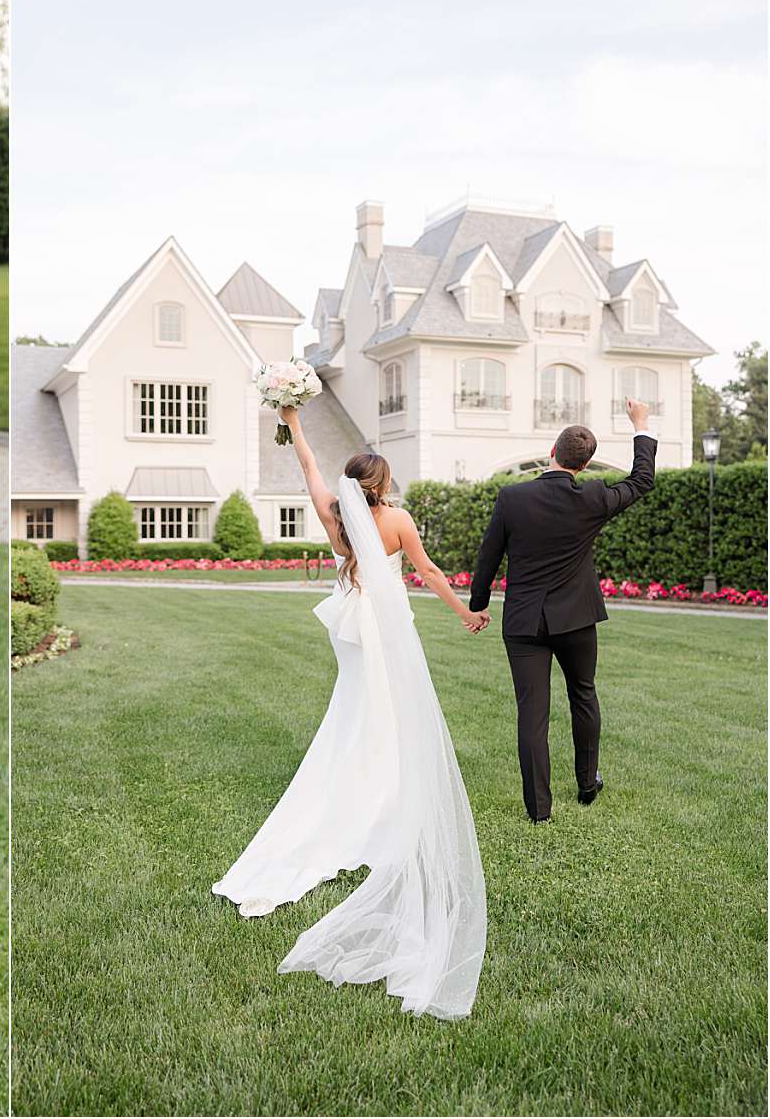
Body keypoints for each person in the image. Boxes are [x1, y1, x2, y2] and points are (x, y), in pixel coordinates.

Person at [212, 404, 487, 1021]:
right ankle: (381, 794)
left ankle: (360, 778)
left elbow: (308, 465)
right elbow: (429, 572)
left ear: (350, 484)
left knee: (358, 703)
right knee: (387, 709)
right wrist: (466, 613)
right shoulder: (398, 521)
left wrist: (294, 422)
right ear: (383, 486)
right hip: (383, 625)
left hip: (348, 620)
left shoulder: (335, 517)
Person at [469, 399, 657, 824]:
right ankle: (587, 784)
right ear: (586, 465)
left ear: (551, 453)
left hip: (523, 622)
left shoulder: (512, 497)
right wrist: (640, 423)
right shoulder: (593, 496)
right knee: (583, 695)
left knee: (532, 714)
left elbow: (488, 556)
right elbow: (642, 480)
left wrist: (478, 605)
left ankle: (539, 810)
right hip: (577, 619)